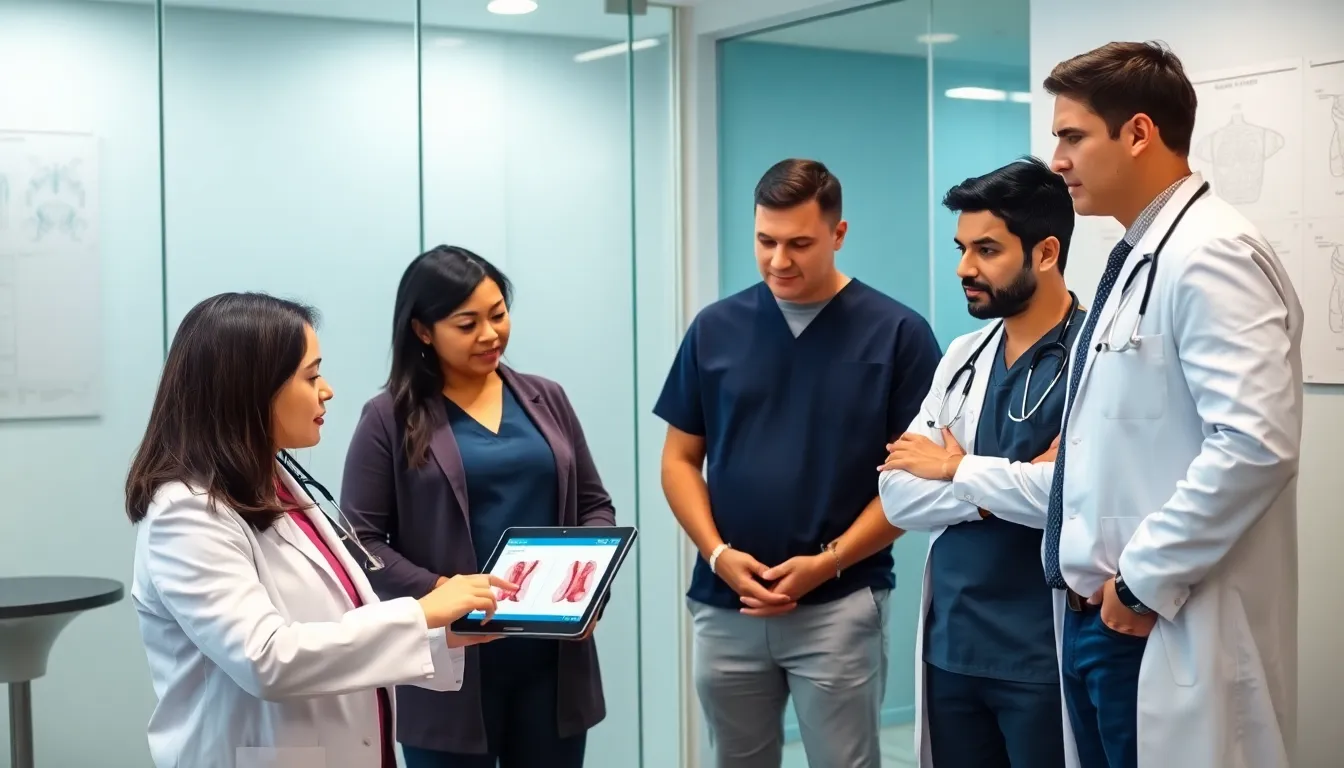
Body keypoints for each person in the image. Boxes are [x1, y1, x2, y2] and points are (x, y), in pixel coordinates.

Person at [1043, 41, 1302, 768]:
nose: (1056, 160)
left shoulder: (1212, 254)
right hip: (1104, 620)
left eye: (1071, 136)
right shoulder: (1139, 255)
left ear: (1137, 133)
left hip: (1153, 619)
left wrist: (1141, 582)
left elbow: (1255, 444)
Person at [126, 292, 511, 768]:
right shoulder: (186, 514)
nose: (326, 390)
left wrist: (443, 633)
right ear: (252, 389)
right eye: (311, 376)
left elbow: (327, 632)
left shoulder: (275, 482)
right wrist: (421, 614)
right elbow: (266, 659)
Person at [655, 158, 942, 768]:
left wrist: (827, 563)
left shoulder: (897, 334)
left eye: (800, 244)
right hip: (725, 601)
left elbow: (914, 484)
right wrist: (717, 554)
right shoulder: (715, 329)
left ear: (838, 235)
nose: (779, 261)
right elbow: (679, 460)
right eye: (766, 241)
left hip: (839, 607)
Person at [340, 245, 616, 768]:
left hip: (549, 660)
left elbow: (593, 505)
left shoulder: (547, 398)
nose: (490, 335)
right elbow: (360, 542)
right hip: (448, 657)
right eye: (467, 324)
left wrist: (590, 585)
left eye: (498, 315)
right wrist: (439, 591)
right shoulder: (387, 419)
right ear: (423, 330)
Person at [878, 156, 1081, 768]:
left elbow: (1074, 497)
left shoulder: (1096, 355)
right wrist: (1014, 484)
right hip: (952, 647)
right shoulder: (965, 354)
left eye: (986, 250)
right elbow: (897, 494)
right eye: (963, 248)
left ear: (1045, 253)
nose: (965, 268)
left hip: (1041, 655)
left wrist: (955, 469)